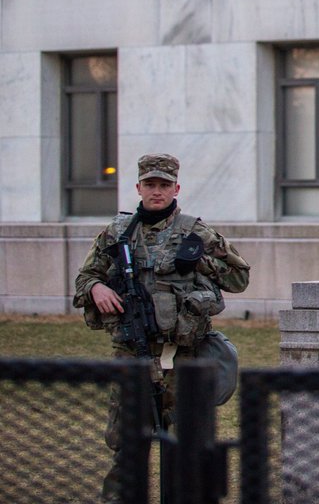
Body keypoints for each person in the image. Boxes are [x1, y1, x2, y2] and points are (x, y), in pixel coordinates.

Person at [73, 153, 251, 502]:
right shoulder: (116, 233)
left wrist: (198, 257)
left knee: (186, 450)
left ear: (176, 188)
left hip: (185, 361)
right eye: (150, 185)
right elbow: (84, 278)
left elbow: (239, 278)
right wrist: (97, 288)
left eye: (164, 185)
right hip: (132, 358)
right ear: (139, 187)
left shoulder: (195, 231)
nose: (157, 191)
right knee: (126, 448)